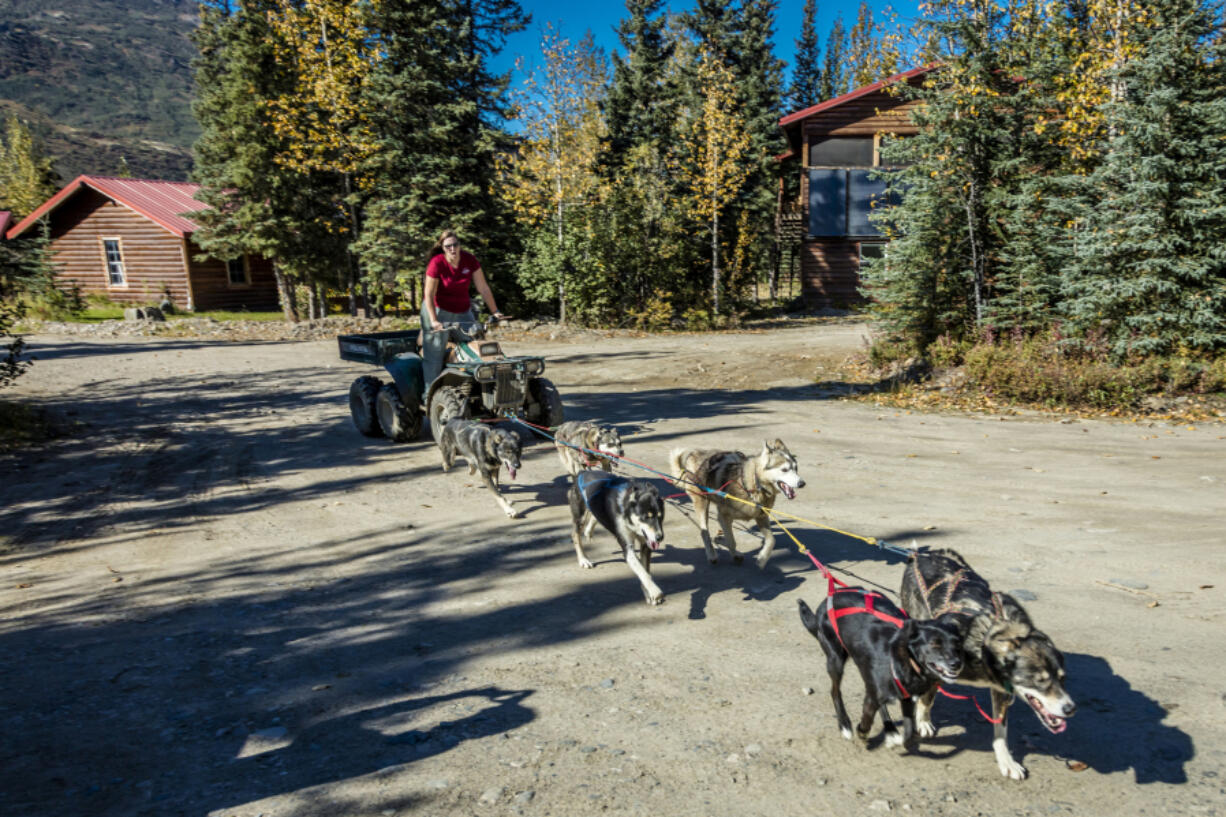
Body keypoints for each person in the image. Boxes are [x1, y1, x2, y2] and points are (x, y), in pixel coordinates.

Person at [420, 229, 507, 384]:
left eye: (455, 244)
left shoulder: (469, 260)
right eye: (448, 246)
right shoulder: (437, 263)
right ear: (442, 248)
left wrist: (495, 311)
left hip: (462, 311)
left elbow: (483, 288)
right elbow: (429, 294)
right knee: (434, 355)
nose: (452, 249)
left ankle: (476, 387)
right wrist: (434, 321)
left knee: (475, 346)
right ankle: (429, 396)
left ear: (459, 245)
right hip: (438, 310)